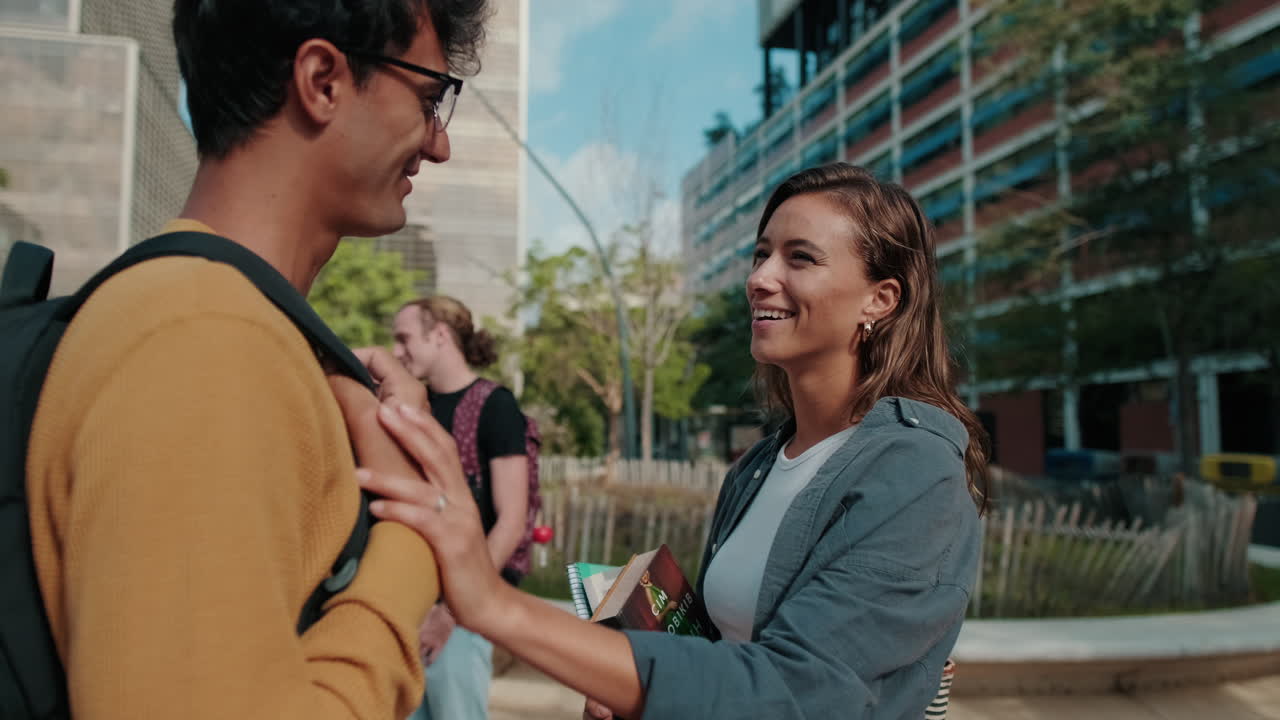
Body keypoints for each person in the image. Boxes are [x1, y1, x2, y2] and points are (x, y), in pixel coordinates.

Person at [353, 162, 989, 720]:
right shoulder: (761, 465)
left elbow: (799, 693)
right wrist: (627, 680)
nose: (761, 278)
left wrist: (493, 605)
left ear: (879, 299)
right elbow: (720, 649)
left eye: (801, 258)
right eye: (760, 253)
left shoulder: (915, 470)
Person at [24, 1, 490, 718]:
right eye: (430, 98)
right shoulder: (203, 337)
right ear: (322, 80)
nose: (438, 144)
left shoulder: (216, 321)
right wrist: (410, 542)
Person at [390, 295, 529, 720]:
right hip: (409, 608)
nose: (397, 351)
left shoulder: (495, 406)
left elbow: (510, 521)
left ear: (440, 336)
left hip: (461, 619)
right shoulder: (414, 406)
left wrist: (450, 614)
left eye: (404, 338)